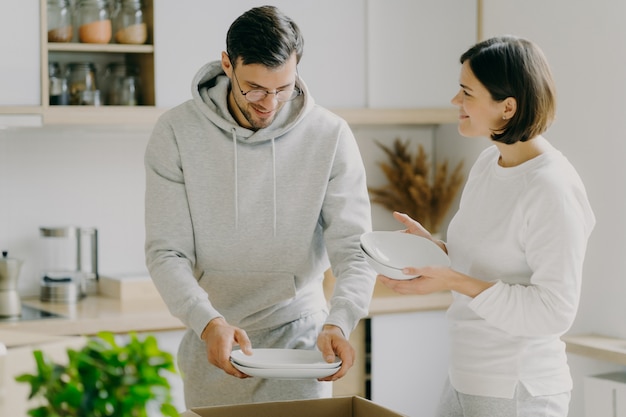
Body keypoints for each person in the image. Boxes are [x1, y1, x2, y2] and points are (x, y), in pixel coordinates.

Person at [144, 5, 375, 408]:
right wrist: (208, 321)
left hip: (301, 343)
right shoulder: (176, 132)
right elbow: (166, 252)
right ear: (227, 65)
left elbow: (355, 249)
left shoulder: (330, 135)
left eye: (282, 88)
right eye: (254, 88)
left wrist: (340, 319)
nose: (269, 103)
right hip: (213, 339)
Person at [378, 36, 595, 417]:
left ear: (507, 107)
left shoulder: (551, 187)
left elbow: (554, 311)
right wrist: (434, 251)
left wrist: (452, 280)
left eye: (466, 92)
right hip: (465, 379)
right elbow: (488, 264)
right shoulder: (487, 164)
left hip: (517, 391)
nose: (454, 102)